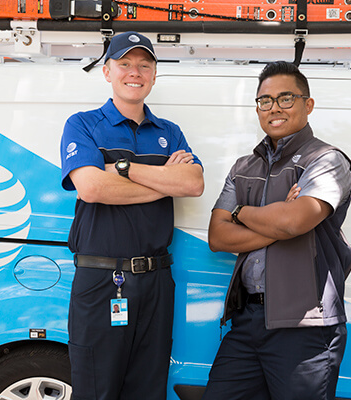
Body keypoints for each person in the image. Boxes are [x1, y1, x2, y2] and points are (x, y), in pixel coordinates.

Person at [60, 31, 204, 400]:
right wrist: (163, 181)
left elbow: (192, 184)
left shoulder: (169, 132)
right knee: (97, 390)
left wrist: (121, 167)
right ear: (107, 71)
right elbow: (92, 188)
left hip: (156, 281)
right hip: (102, 279)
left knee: (148, 389)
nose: (134, 72)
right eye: (124, 63)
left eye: (144, 65)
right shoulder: (83, 124)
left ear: (154, 75)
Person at [202, 61, 351, 400]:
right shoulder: (244, 167)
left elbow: (294, 221)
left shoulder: (327, 160)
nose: (274, 107)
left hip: (305, 325)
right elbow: (218, 236)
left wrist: (240, 213)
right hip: (248, 320)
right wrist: (276, 224)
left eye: (286, 98)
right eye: (265, 100)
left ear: (308, 104)